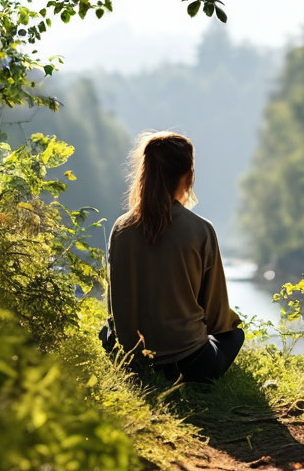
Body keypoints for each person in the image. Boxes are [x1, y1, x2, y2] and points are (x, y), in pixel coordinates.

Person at [104, 131, 244, 383]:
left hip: (133, 362)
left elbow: (114, 307)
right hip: (189, 365)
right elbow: (216, 317)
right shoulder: (200, 230)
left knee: (106, 330)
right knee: (234, 335)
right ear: (188, 176)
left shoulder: (120, 228)